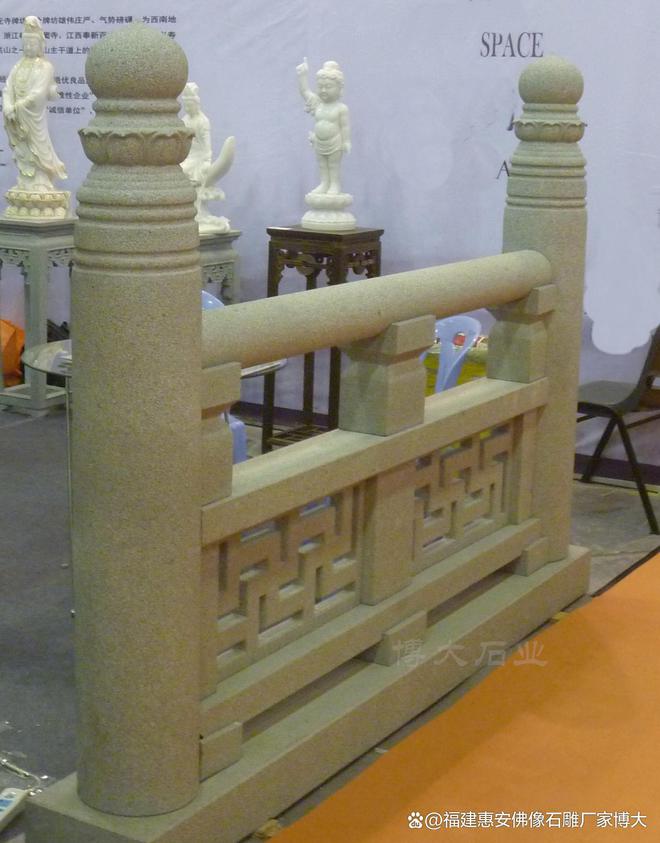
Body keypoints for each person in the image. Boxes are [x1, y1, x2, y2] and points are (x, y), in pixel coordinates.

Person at [2, 16, 67, 192]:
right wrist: (7, 107)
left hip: (32, 116)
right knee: (23, 150)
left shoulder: (45, 67)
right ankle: (26, 180)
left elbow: (38, 93)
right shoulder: (18, 65)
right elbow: (8, 88)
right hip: (17, 116)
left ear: (40, 46)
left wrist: (17, 106)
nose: (29, 47)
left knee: (38, 147)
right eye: (26, 43)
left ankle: (41, 181)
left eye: (33, 44)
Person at [296, 58, 351, 195]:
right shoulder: (318, 104)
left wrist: (346, 141)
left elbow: (345, 127)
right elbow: (305, 91)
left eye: (328, 87)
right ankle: (324, 184)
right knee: (322, 165)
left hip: (335, 142)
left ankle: (334, 185)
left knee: (333, 165)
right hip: (319, 141)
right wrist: (302, 76)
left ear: (339, 89)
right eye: (320, 87)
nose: (323, 90)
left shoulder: (341, 108)